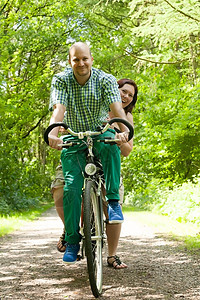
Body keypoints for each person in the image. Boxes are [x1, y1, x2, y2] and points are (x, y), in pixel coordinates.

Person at [48, 41, 131, 264]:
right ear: (70, 62)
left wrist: (123, 132)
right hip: (74, 136)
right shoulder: (61, 80)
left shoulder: (105, 80)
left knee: (110, 144)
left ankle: (112, 201)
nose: (81, 63)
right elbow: (58, 112)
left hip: (99, 131)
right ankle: (73, 241)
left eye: (85, 58)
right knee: (72, 189)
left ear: (91, 59)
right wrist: (53, 134)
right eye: (76, 59)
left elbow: (116, 109)